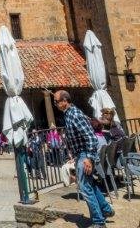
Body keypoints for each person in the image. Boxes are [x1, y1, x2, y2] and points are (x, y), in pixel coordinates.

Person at [53, 90, 115, 228]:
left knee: (85, 188)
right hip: (80, 154)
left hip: (84, 155)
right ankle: (106, 210)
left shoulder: (74, 115)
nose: (55, 104)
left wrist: (88, 158)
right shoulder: (69, 114)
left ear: (64, 101)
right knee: (90, 185)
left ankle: (99, 222)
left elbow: (91, 137)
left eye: (56, 101)